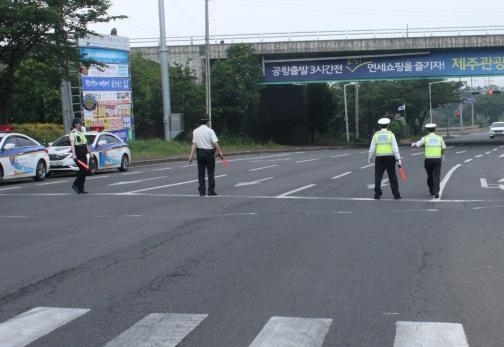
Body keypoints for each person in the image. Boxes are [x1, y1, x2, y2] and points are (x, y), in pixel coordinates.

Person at [188, 116, 224, 196]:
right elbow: (215, 143)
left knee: (201, 173)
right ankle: (211, 191)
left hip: (199, 153)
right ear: (207, 122)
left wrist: (191, 155)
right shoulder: (210, 131)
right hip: (209, 153)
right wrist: (220, 152)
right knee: (210, 173)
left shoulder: (195, 131)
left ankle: (202, 191)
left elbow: (194, 144)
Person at [368, 117, 402, 200]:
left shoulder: (376, 135)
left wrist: (370, 158)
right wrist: (398, 159)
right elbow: (395, 148)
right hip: (390, 158)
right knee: (392, 176)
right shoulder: (391, 135)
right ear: (388, 125)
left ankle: (377, 194)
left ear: (379, 125)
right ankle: (396, 194)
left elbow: (372, 148)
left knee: (378, 176)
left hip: (379, 158)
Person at [411, 123, 446, 199]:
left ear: (427, 130)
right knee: (437, 176)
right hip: (437, 159)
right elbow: (443, 147)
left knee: (430, 176)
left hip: (428, 160)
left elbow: (417, 145)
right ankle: (436, 192)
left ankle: (431, 190)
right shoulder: (439, 138)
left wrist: (413, 144)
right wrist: (441, 154)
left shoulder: (425, 138)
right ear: (435, 129)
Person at [70, 117, 89, 194]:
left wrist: (88, 151)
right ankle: (75, 184)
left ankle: (81, 188)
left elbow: (85, 143)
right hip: (78, 154)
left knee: (84, 171)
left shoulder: (81, 133)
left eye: (81, 123)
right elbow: (72, 145)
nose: (81, 125)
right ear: (75, 124)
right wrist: (74, 155)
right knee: (83, 169)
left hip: (84, 153)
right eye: (80, 123)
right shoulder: (73, 133)